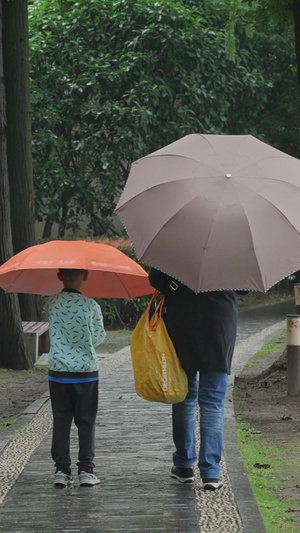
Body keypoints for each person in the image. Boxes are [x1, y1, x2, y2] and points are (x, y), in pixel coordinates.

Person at [149, 267, 241, 491]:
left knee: (184, 397)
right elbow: (244, 286)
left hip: (182, 324)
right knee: (212, 404)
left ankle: (184, 465)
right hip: (219, 324)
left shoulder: (175, 243)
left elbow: (156, 279)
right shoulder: (232, 246)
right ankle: (210, 472)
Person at [47, 268, 106, 487]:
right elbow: (98, 337)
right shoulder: (92, 306)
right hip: (86, 373)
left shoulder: (51, 303)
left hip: (59, 373)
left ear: (59, 276)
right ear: (86, 276)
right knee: (86, 421)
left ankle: (61, 471)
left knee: (61, 421)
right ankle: (86, 470)